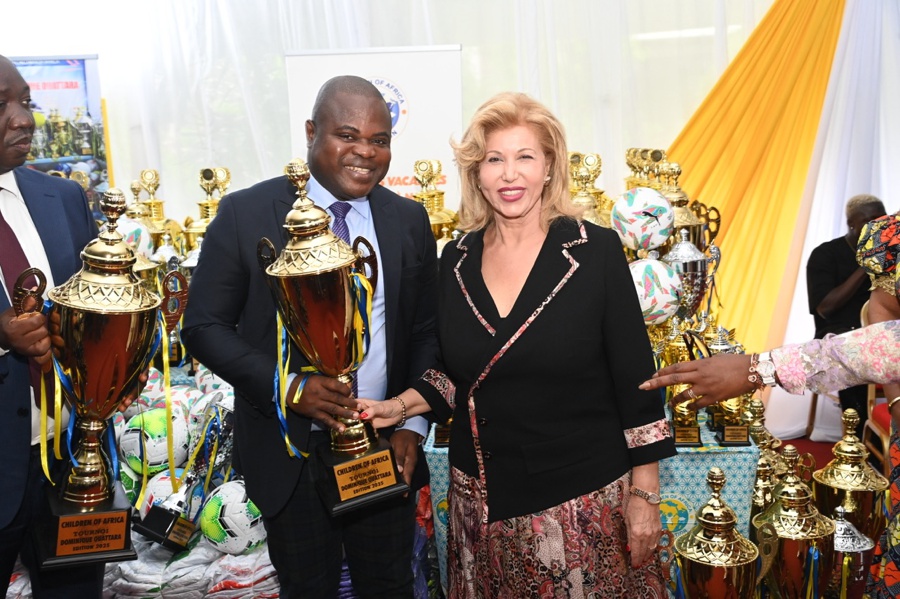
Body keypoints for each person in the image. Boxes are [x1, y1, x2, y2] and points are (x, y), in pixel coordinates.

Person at [356, 92, 676, 597]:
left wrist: (645, 495)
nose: (510, 175)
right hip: (479, 509)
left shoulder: (594, 251)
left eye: (525, 157)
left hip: (578, 506)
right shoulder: (455, 258)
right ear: (476, 173)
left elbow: (638, 383)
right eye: (494, 160)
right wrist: (393, 408)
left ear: (549, 166)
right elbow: (457, 374)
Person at [180, 75, 438, 598]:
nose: (365, 152)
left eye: (380, 140)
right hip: (288, 452)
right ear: (310, 132)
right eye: (348, 135)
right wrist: (289, 387)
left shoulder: (408, 219)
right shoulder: (246, 214)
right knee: (307, 588)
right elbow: (203, 327)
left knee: (390, 585)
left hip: (382, 446)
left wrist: (411, 424)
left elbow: (424, 331)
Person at [0, 55, 104, 597]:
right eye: (1, 105)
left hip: (72, 459)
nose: (23, 119)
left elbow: (96, 308)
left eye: (26, 102)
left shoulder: (63, 198)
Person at [806, 193, 885, 436]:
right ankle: (860, 442)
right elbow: (825, 308)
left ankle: (884, 434)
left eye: (882, 219)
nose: (877, 226)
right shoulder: (825, 254)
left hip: (881, 333)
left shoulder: (891, 255)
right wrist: (865, 264)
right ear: (852, 223)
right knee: (854, 353)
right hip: (839, 336)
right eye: (869, 220)